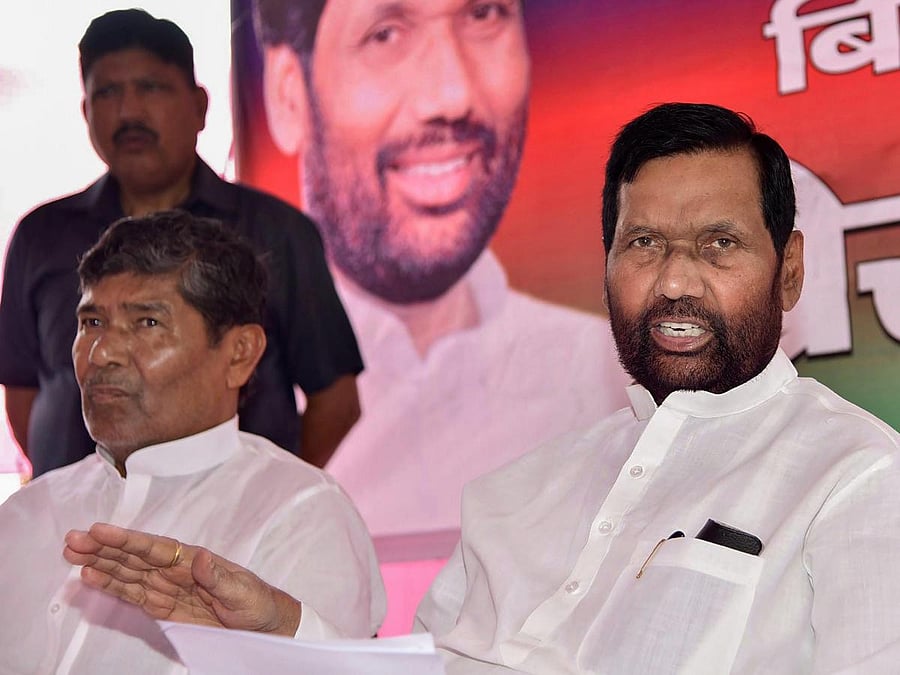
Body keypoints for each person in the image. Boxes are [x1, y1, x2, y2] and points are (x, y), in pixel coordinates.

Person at [72, 104, 900, 673]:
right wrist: (283, 636)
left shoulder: (858, 479)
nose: (675, 281)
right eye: (643, 242)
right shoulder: (518, 492)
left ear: (788, 271)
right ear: (607, 265)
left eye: (719, 244)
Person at [249, 0, 630, 535]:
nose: (452, 95)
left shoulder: (613, 378)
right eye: (385, 34)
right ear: (290, 94)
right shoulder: (233, 384)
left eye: (483, 16)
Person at [0, 211, 384, 675]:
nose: (102, 354)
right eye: (92, 322)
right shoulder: (25, 513)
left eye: (146, 323)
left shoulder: (300, 513)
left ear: (239, 353)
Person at [0, 9, 362, 477]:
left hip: (230, 537)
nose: (129, 112)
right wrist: (78, 489)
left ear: (200, 107)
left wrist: (269, 499)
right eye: (107, 92)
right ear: (87, 112)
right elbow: (24, 391)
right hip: (77, 533)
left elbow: (335, 400)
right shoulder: (42, 234)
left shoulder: (275, 231)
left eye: (151, 88)